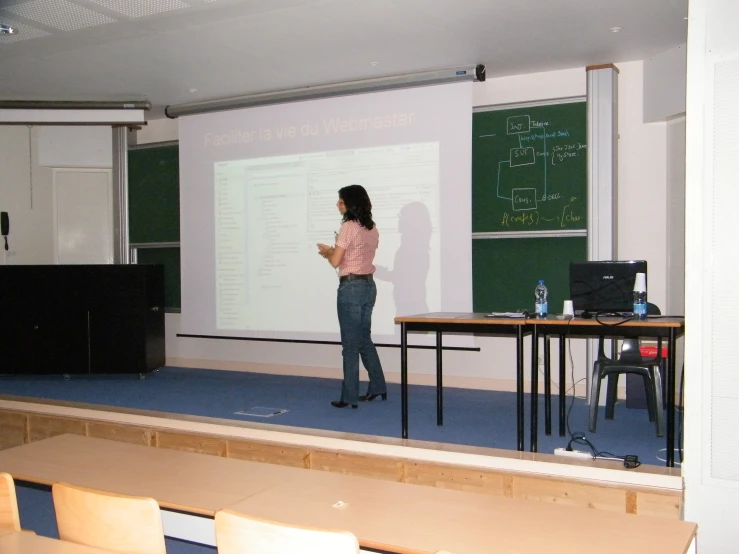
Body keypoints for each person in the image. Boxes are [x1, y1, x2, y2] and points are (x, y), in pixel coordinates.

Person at [317, 185, 387, 409]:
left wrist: (328, 251)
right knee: (364, 339)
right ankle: (378, 387)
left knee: (350, 345)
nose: (338, 204)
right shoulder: (372, 227)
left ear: (351, 203)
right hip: (368, 286)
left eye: (341, 200)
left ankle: (349, 397)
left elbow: (336, 261)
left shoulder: (348, 226)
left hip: (351, 288)